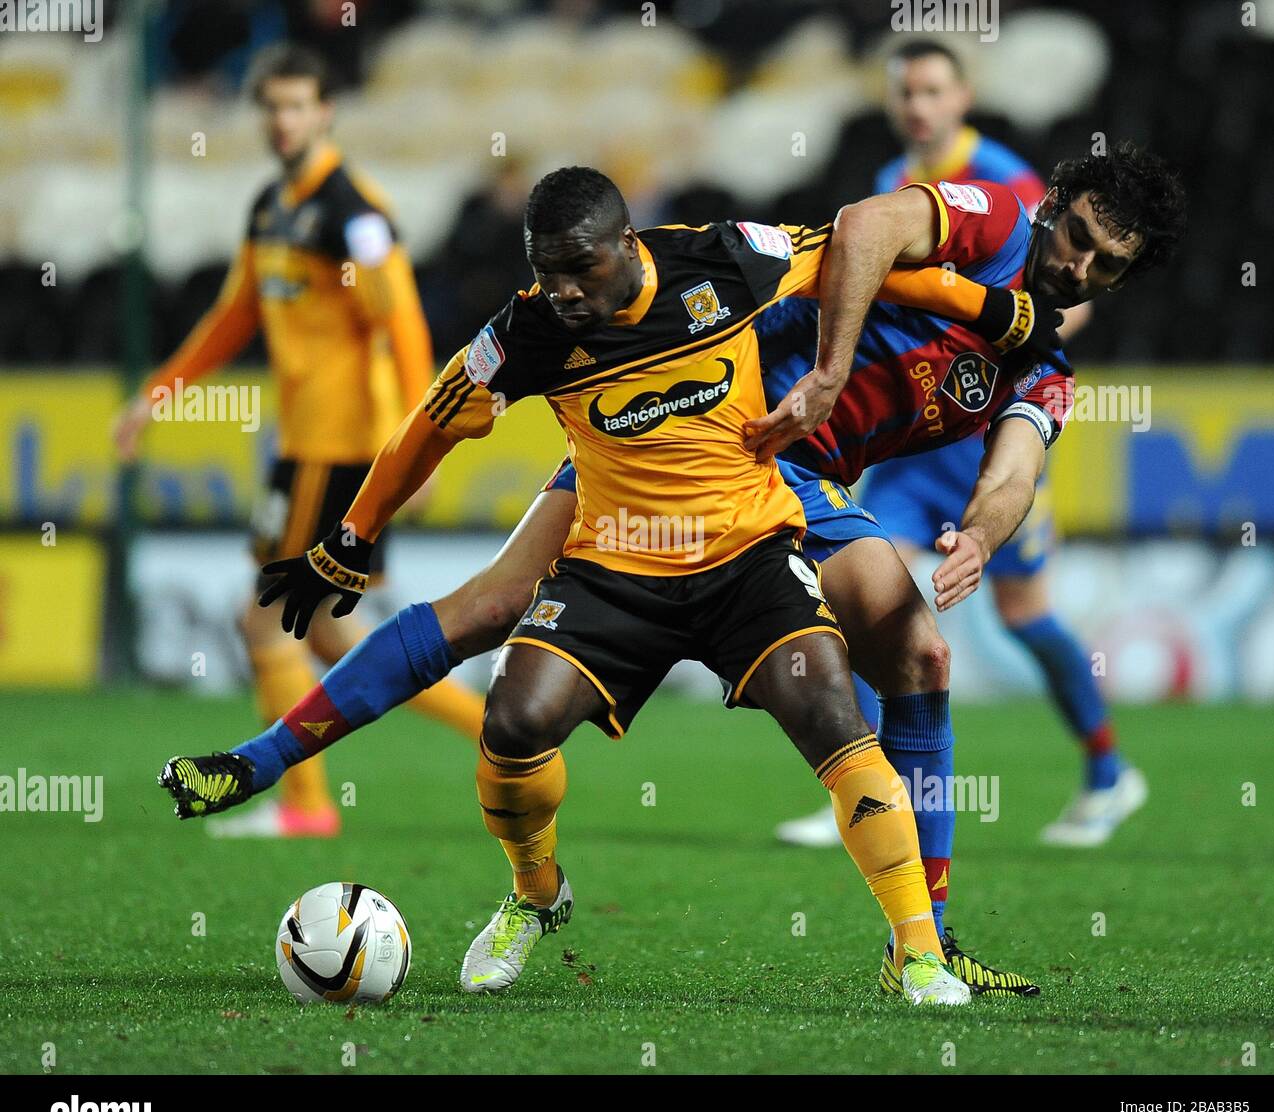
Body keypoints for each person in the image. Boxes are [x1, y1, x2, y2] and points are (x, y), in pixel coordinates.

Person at [160, 165, 1080, 1005]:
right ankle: (519, 886)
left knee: (858, 693)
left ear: (627, 245)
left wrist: (994, 312)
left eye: (579, 269)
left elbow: (849, 249)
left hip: (751, 536)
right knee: (509, 705)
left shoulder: (724, 262)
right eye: (546, 271)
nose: (563, 290)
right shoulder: (524, 330)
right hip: (617, 552)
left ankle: (919, 949)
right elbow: (428, 422)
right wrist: (350, 535)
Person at [776, 40, 1142, 853]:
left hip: (982, 431)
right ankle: (865, 785)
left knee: (1024, 614)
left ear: (962, 95)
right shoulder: (888, 183)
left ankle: (1109, 768)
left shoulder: (1009, 188)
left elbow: (1052, 312)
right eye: (906, 90)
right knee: (850, 600)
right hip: (911, 438)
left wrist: (1004, 354)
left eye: (933, 90)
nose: (918, 106)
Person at [113, 44, 483, 838]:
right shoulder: (271, 207)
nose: (282, 121)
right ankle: (495, 732)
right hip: (301, 447)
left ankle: (306, 805)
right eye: (270, 107)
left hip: (343, 447)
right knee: (324, 632)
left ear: (325, 112)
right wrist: (157, 394)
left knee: (265, 621)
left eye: (296, 105)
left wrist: (425, 440)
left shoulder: (353, 212)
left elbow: (403, 322)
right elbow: (233, 317)